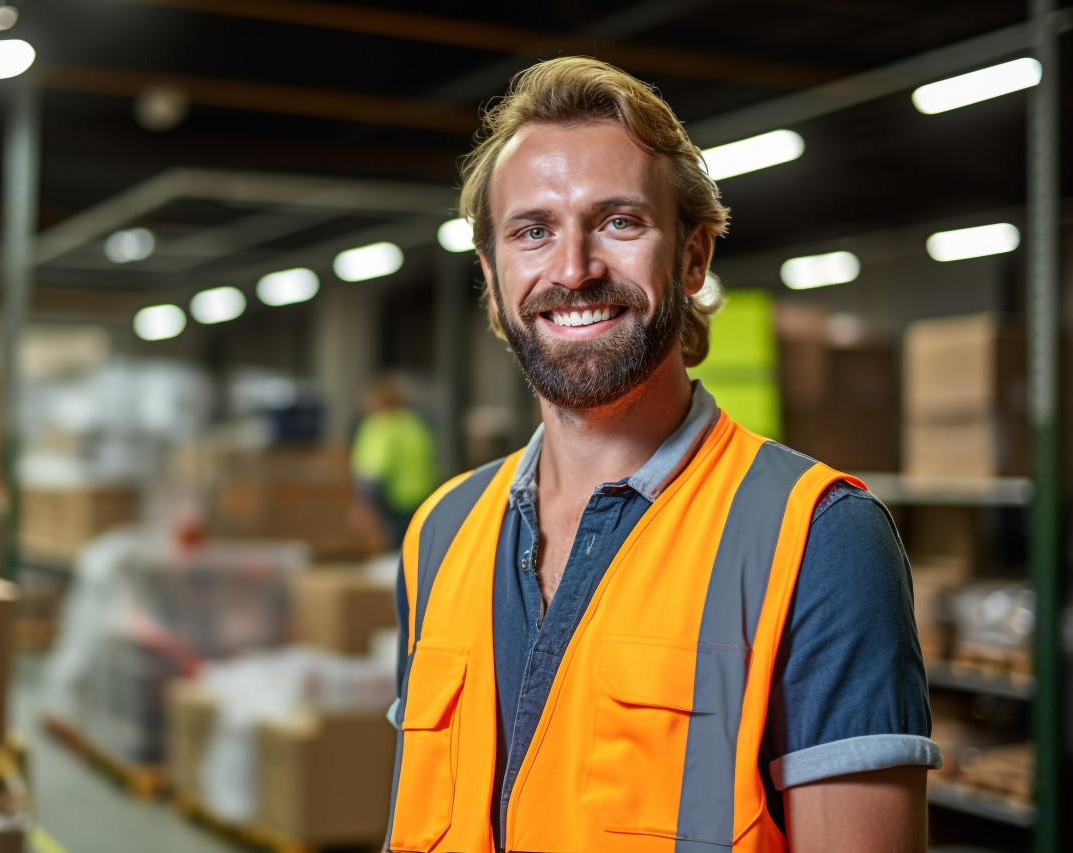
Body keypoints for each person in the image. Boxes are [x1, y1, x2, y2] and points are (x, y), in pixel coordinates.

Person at [385, 57, 940, 853]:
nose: (572, 270)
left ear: (691, 258)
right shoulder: (438, 533)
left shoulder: (818, 538)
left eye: (619, 222)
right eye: (533, 231)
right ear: (493, 272)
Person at [350, 374, 440, 549]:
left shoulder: (380, 425)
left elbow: (373, 468)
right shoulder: (416, 424)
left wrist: (365, 504)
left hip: (392, 498)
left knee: (393, 551)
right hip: (422, 496)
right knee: (414, 549)